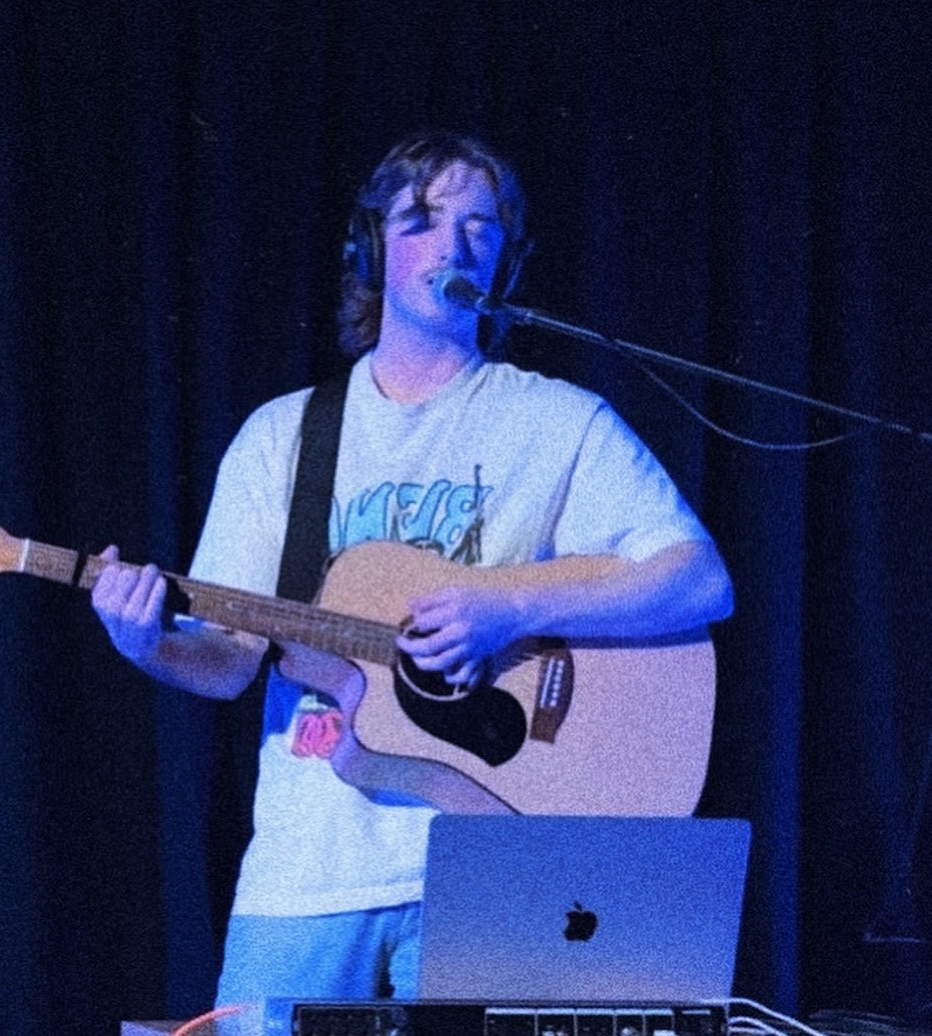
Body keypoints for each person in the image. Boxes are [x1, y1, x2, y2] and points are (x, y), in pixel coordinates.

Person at [91, 131, 734, 1008]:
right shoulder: (285, 438)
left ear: (506, 262)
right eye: (423, 219)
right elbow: (229, 658)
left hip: (497, 863)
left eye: (481, 224)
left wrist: (501, 606)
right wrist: (143, 643)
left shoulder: (558, 421)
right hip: (310, 869)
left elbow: (699, 581)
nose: (454, 243)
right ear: (372, 246)